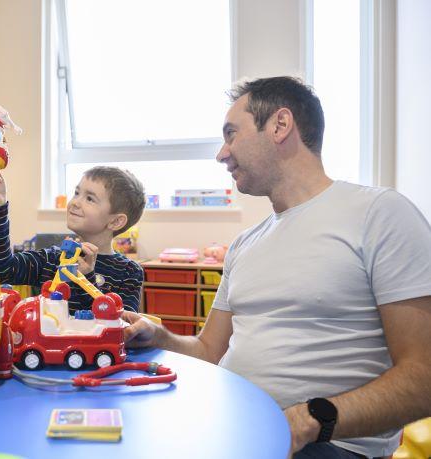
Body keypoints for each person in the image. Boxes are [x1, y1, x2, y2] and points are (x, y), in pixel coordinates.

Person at [123, 77, 431, 458]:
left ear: (280, 126)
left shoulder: (379, 214)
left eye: (231, 134)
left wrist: (309, 420)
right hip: (233, 429)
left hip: (324, 445)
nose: (222, 154)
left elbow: (424, 378)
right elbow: (208, 350)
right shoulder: (244, 244)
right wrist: (159, 337)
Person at [0, 165, 146, 312]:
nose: (75, 202)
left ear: (116, 221)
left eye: (89, 198)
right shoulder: (52, 259)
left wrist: (87, 276)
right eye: (77, 193)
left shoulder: (129, 272)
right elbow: (2, 270)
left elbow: (121, 328)